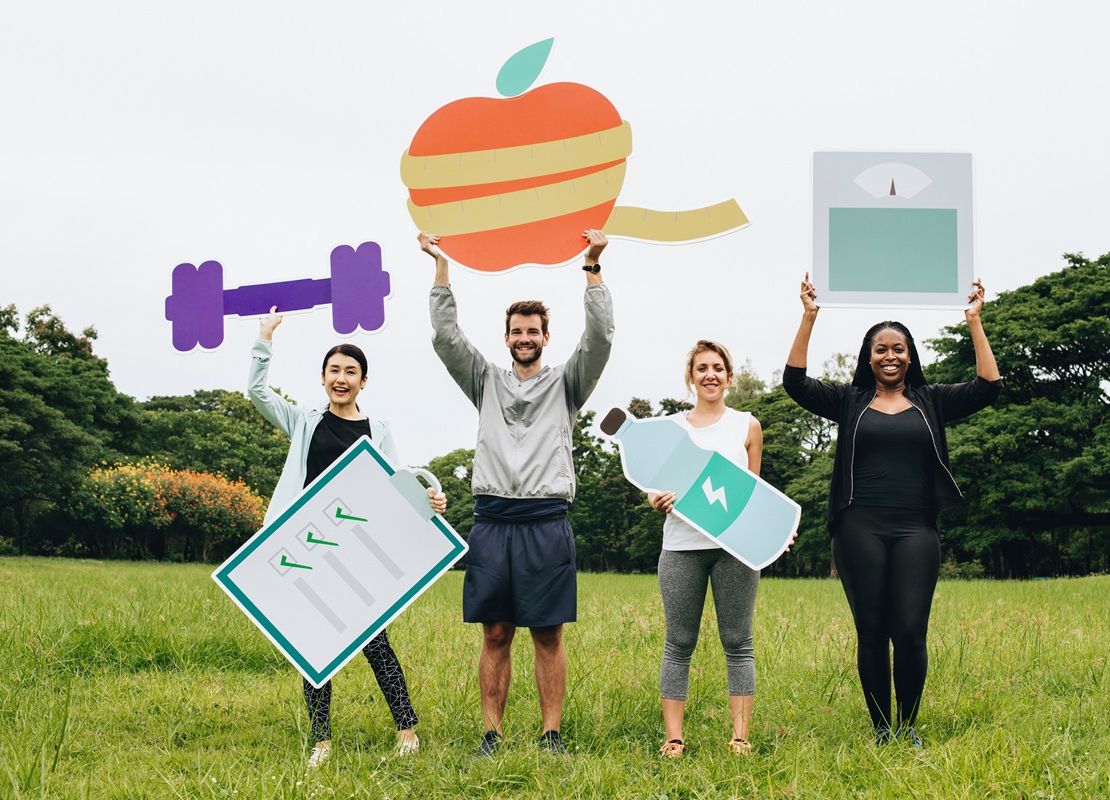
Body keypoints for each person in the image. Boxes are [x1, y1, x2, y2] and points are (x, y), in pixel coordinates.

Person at [782, 274, 1001, 747]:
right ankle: (882, 729)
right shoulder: (850, 401)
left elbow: (988, 387)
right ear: (868, 357)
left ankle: (909, 724)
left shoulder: (932, 401)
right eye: (880, 349)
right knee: (872, 630)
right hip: (858, 526)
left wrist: (974, 322)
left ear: (910, 355)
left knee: (910, 630)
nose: (890, 356)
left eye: (898, 348)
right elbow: (795, 383)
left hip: (916, 528)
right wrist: (809, 316)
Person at [420, 229, 613, 756]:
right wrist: (442, 270)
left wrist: (592, 268)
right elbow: (446, 339)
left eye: (533, 330)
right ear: (506, 338)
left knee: (548, 634)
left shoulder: (568, 384)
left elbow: (600, 341)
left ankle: (551, 735)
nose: (524, 337)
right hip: (492, 520)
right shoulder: (484, 380)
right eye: (516, 331)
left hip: (546, 521)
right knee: (496, 633)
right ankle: (491, 733)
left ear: (545, 337)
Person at [248, 307, 447, 767]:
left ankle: (407, 730)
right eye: (334, 370)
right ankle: (321, 742)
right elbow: (257, 392)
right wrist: (265, 337)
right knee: (311, 648)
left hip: (357, 554)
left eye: (351, 372)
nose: (342, 378)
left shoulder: (378, 431)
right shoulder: (303, 422)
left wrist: (430, 502)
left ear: (363, 381)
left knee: (376, 644)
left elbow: (398, 488)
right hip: (305, 550)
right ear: (322, 378)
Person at [646, 340, 764, 759]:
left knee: (738, 642)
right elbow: (654, 484)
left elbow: (754, 494)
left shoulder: (747, 425)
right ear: (691, 377)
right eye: (701, 368)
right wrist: (655, 500)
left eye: (717, 368)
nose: (710, 374)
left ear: (729, 377)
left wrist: (771, 533)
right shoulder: (671, 428)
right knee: (678, 643)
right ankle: (673, 738)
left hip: (734, 550)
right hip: (680, 546)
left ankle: (740, 738)